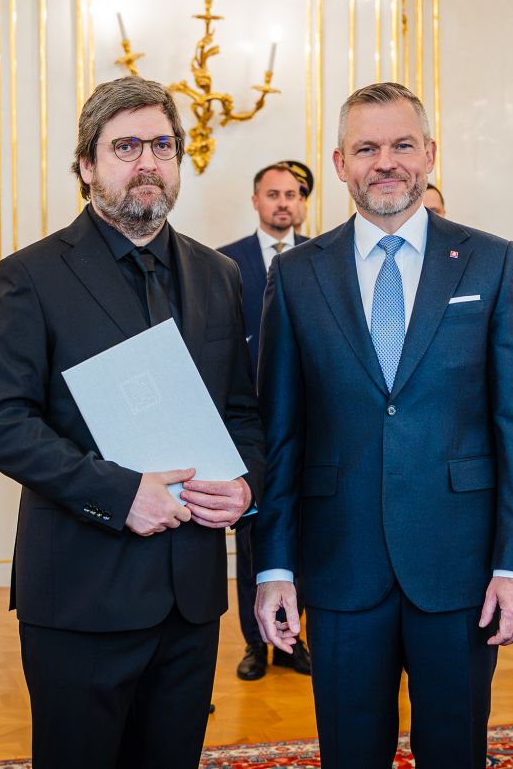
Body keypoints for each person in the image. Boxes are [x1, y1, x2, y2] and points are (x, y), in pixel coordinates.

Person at [0, 76, 265, 768]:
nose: (147, 163)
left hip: (191, 597)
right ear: (86, 166)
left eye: (162, 145)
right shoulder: (30, 275)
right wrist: (119, 493)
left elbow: (242, 413)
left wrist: (245, 485)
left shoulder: (219, 274)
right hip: (81, 594)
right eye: (125, 146)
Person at [253, 82, 513, 768]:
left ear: (430, 154)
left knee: (455, 750)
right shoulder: (297, 275)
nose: (385, 162)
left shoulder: (491, 260)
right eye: (366, 148)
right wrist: (274, 566)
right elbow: (281, 433)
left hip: (461, 568)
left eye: (401, 145)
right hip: (340, 567)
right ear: (339, 164)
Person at [219, 161, 312, 680]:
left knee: (304, 532)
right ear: (256, 201)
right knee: (253, 531)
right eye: (273, 194)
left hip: (312, 419)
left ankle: (294, 638)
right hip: (250, 420)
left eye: (292, 194)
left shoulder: (326, 256)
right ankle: (255, 643)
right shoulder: (224, 263)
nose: (283, 203)